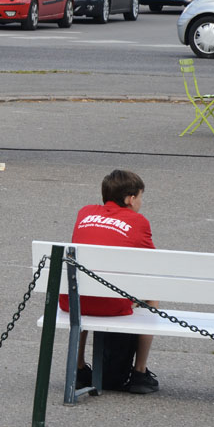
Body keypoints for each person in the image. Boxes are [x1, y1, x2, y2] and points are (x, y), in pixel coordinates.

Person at [59, 169, 159, 395]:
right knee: (153, 291)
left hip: (73, 301)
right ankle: (139, 372)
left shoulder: (85, 212)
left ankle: (79, 367)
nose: (141, 202)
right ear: (130, 199)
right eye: (141, 197)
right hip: (112, 306)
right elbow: (153, 264)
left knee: (80, 290)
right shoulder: (138, 221)